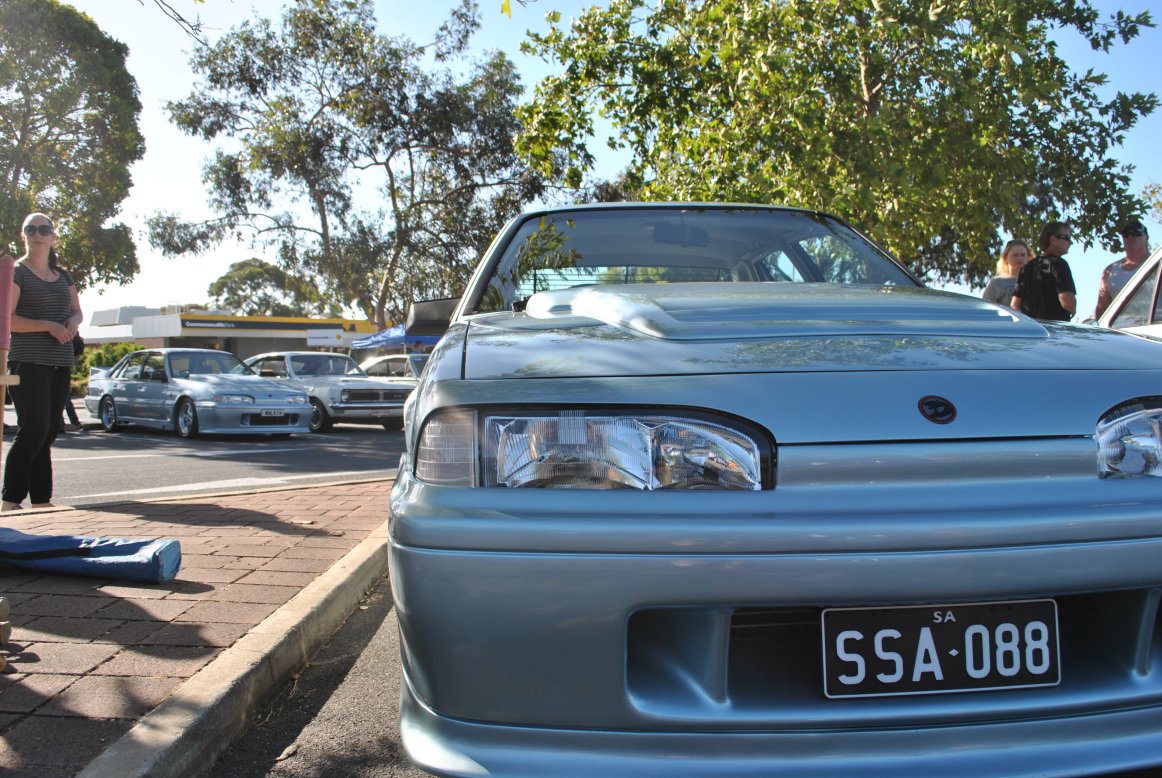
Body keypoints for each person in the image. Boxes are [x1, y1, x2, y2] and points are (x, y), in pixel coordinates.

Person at [1, 213, 83, 511]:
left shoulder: (63, 275)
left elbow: (77, 311)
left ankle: (42, 501)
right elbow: (8, 320)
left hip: (60, 362)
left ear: (53, 235)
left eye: (44, 229)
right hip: (28, 361)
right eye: (31, 229)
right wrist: (48, 325)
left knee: (48, 430)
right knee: (34, 427)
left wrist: (72, 323)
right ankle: (10, 500)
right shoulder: (17, 273)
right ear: (23, 235)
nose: (38, 234)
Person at [1011, 221, 1076, 321]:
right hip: (1056, 331)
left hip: (1033, 331)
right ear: (1053, 239)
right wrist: (1073, 310)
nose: (1070, 243)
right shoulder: (1059, 264)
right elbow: (1067, 301)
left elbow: (1015, 304)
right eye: (1066, 238)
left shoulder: (1027, 267)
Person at [1093, 218, 1151, 320]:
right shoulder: (1110, 271)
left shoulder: (1157, 264)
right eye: (1126, 234)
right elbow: (1101, 308)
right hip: (1120, 331)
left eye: (1136, 233)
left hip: (1153, 328)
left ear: (1146, 238)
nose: (1130, 237)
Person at [981, 239, 1030, 308]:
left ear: (1028, 257)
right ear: (1006, 258)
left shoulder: (1034, 282)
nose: (1019, 258)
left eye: (1023, 255)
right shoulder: (996, 283)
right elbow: (985, 307)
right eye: (1015, 255)